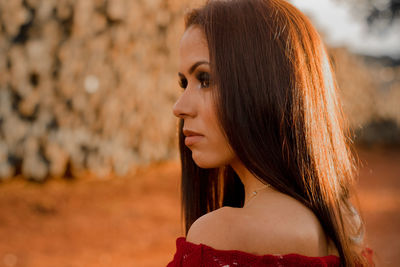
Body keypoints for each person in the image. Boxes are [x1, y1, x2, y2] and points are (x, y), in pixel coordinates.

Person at [167, 0, 373, 266]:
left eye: (205, 79)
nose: (179, 107)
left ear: (262, 85)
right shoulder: (344, 226)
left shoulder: (221, 235)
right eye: (184, 83)